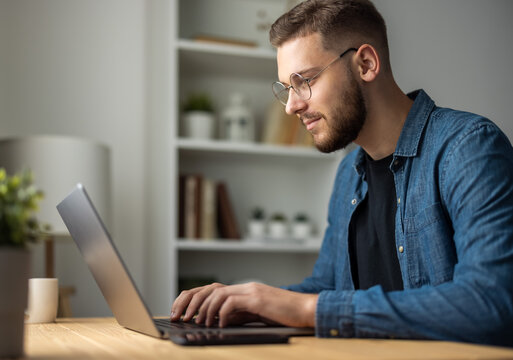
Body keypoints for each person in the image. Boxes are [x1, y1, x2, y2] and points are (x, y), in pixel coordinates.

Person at [171, 0, 513, 347]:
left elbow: (490, 304)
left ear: (366, 64)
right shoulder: (349, 173)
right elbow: (326, 288)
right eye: (287, 89)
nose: (291, 106)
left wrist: (307, 309)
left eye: (303, 81)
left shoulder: (468, 148)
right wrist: (250, 302)